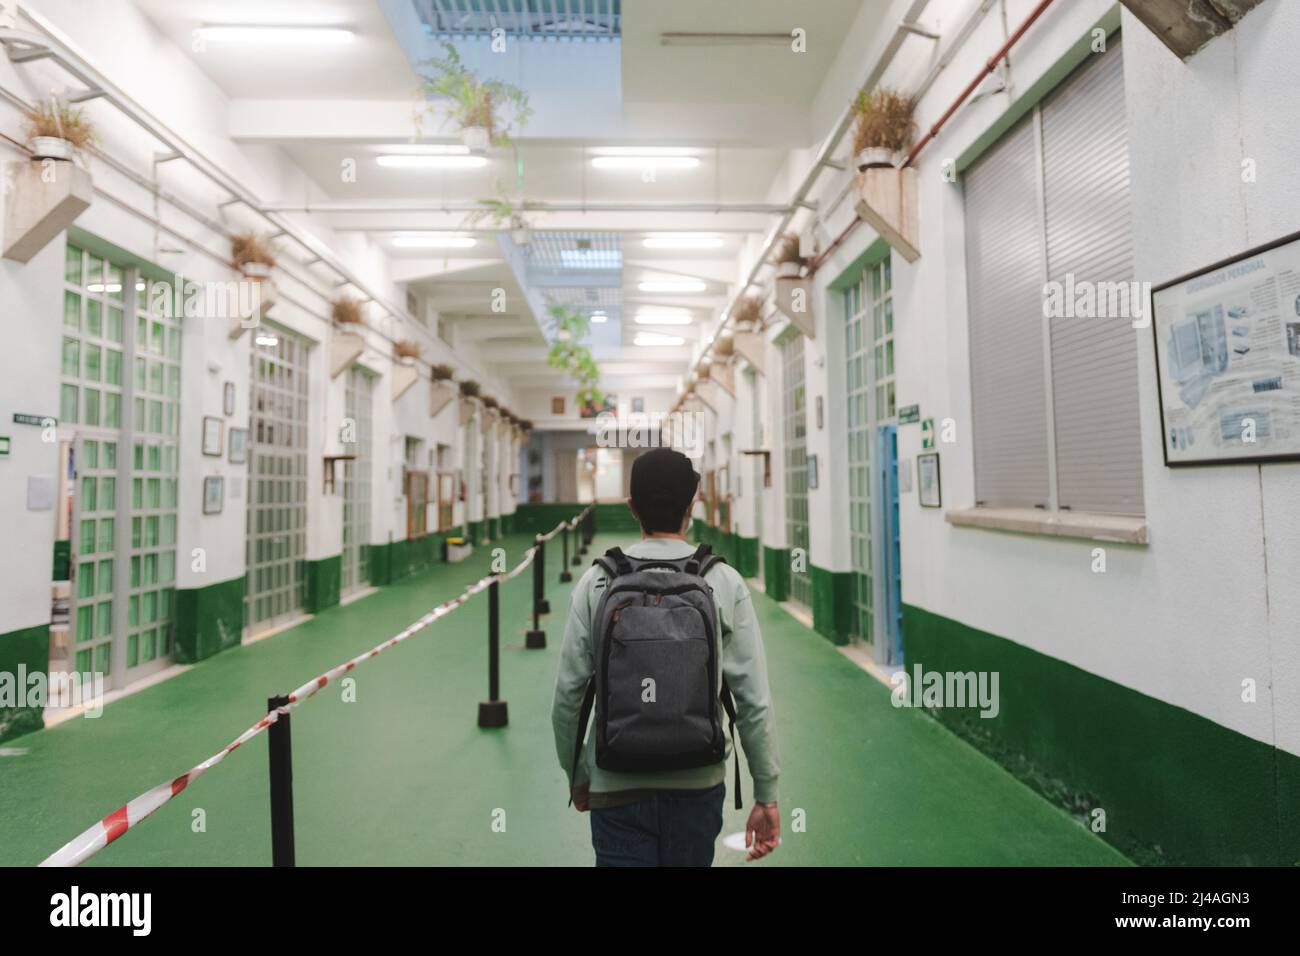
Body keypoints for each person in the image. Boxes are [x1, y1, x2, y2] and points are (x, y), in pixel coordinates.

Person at [551, 447, 781, 866]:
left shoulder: (597, 581)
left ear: (632, 507)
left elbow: (567, 695)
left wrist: (578, 775)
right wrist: (766, 793)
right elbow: (753, 700)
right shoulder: (722, 580)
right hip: (696, 783)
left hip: (615, 782)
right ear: (692, 503)